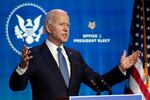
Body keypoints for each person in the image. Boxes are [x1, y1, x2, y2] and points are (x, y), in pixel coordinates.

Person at [9, 9, 141, 100]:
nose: (66, 28)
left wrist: (121, 68)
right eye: (61, 24)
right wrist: (22, 67)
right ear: (48, 28)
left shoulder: (75, 56)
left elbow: (98, 83)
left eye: (68, 24)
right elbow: (16, 87)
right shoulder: (35, 54)